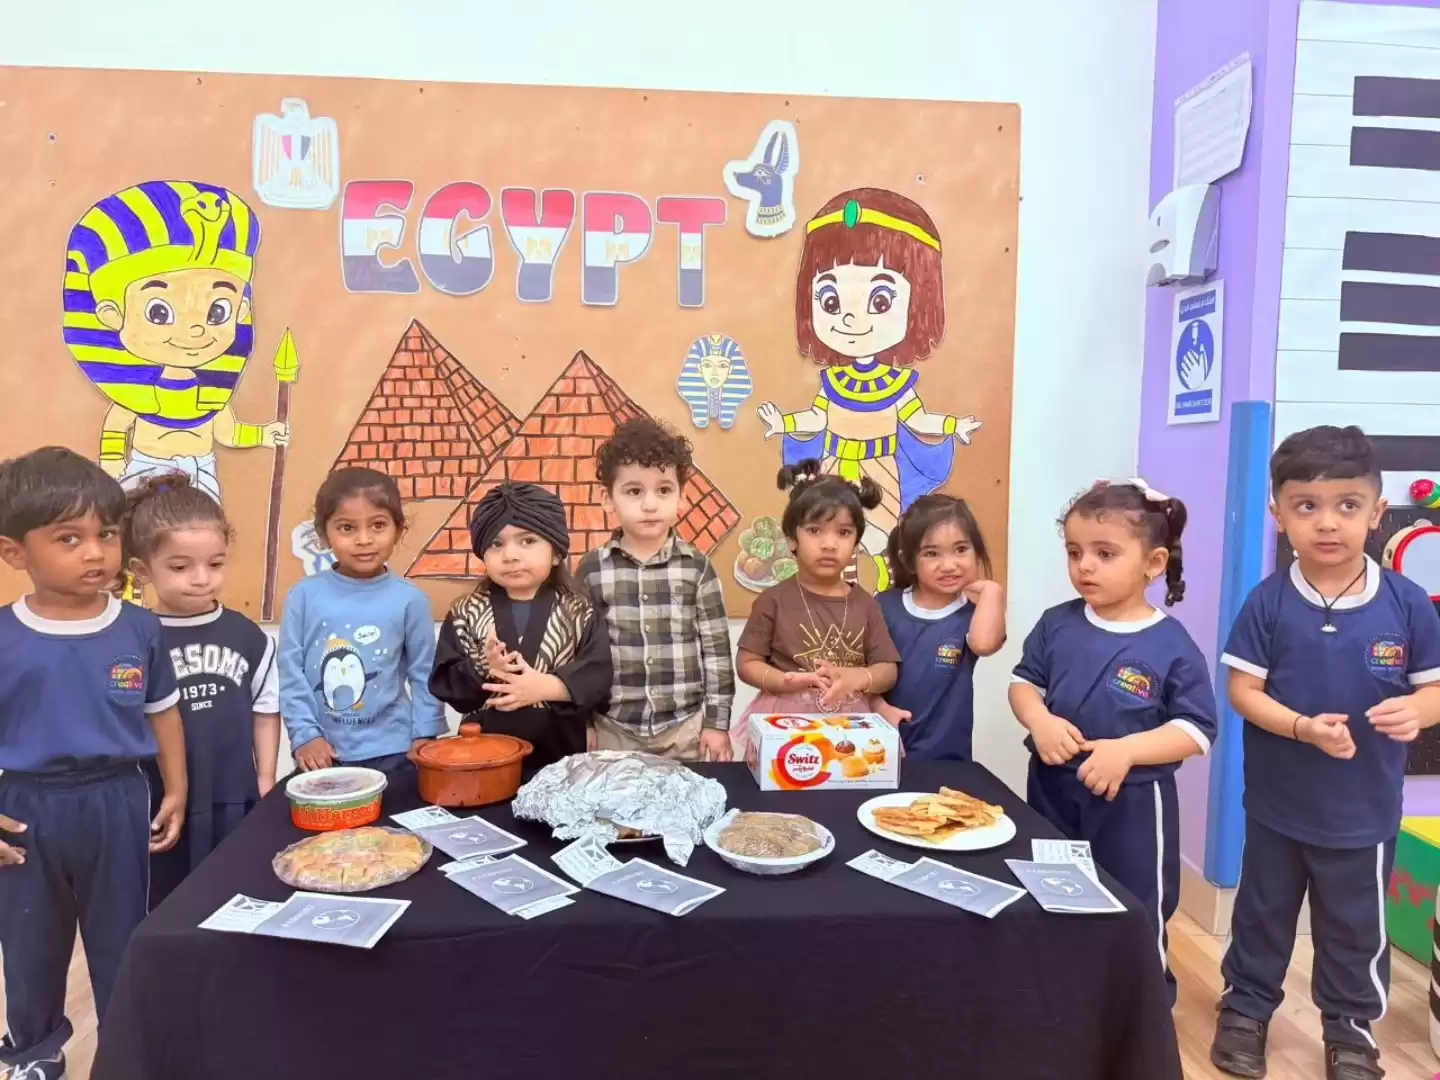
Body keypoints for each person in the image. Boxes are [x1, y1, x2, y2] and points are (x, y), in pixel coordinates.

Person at [1210, 426, 1440, 1080]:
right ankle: (1246, 1009)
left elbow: (1434, 690)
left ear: (1377, 511)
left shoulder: (1407, 603)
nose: (1328, 522)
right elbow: (1243, 692)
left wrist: (1418, 711)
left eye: (1347, 505)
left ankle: (1350, 1032)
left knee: (1355, 929)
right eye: (1306, 506)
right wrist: (1302, 728)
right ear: (1278, 515)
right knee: (1262, 915)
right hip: (1277, 807)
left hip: (1364, 813)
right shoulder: (1269, 601)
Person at [0, 447, 185, 1080]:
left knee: (122, 939)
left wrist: (176, 790)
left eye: (106, 533)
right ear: (15, 553)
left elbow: (163, 713)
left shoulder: (139, 627)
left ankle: (127, 1052)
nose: (95, 553)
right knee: (29, 943)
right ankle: (34, 1053)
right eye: (68, 538)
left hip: (117, 800)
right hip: (25, 811)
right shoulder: (4, 635)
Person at [1009, 478, 1217, 1006]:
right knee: (1054, 892)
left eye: (1105, 554)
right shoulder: (1057, 624)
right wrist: (1039, 720)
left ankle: (1143, 1010)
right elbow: (1022, 684)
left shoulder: (1171, 644)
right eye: (1074, 552)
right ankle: (1062, 999)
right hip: (1053, 789)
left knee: (1135, 904)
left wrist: (1125, 751)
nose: (1085, 566)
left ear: (1153, 563)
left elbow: (1195, 730)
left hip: (1132, 803)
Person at [755, 187, 983, 590]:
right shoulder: (833, 381)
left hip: (879, 471)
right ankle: (836, 596)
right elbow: (817, 418)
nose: (850, 320)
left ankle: (880, 594)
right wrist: (782, 423)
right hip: (832, 466)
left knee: (879, 539)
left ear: (918, 304)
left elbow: (917, 419)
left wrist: (953, 427)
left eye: (879, 301)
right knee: (833, 539)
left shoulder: (896, 383)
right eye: (830, 301)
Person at [62, 180, 288, 502]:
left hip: (201, 470)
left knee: (201, 526)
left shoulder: (212, 399)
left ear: (240, 311)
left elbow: (229, 433)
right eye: (159, 312)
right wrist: (111, 465)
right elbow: (116, 429)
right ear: (112, 315)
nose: (195, 330)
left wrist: (264, 434)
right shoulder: (134, 398)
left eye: (217, 311)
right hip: (145, 469)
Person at [123, 473, 280, 904]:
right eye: (180, 567)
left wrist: (266, 776)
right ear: (142, 570)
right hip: (161, 801)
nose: (201, 578)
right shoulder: (133, 637)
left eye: (215, 563)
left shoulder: (247, 636)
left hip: (233, 796)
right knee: (165, 903)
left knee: (234, 897)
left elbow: (266, 708)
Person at [577, 418, 736, 761]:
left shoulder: (697, 567)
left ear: (681, 497)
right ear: (608, 499)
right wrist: (583, 722)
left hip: (685, 730)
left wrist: (717, 724)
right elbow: (580, 655)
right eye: (634, 491)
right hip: (613, 729)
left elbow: (717, 654)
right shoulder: (592, 570)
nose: (650, 504)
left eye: (663, 490)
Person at [430, 482, 612, 770]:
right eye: (496, 543)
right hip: (485, 759)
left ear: (556, 553)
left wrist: (546, 687)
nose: (510, 555)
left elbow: (598, 674)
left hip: (560, 757)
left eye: (527, 541)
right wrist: (484, 667)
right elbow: (447, 683)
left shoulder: (579, 611)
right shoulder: (466, 613)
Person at [279, 467, 446, 774]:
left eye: (378, 525)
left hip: (396, 752)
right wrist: (305, 736)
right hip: (324, 753)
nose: (364, 539)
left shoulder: (411, 600)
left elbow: (424, 673)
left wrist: (425, 734)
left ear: (398, 529)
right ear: (323, 534)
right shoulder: (302, 596)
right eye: (347, 528)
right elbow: (291, 673)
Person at [734, 460, 901, 755]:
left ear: (857, 543)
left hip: (848, 726)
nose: (829, 544)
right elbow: (746, 664)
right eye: (814, 530)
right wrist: (782, 680)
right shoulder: (773, 600)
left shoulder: (867, 605)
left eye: (843, 532)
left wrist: (856, 678)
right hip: (785, 724)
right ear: (791, 540)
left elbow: (887, 670)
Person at [875, 494, 1005, 760]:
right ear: (908, 560)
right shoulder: (885, 606)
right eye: (931, 553)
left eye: (961, 549)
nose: (949, 565)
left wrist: (992, 591)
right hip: (883, 749)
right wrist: (877, 706)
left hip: (947, 758)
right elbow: (863, 672)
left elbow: (984, 644)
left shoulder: (974, 615)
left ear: (977, 551)